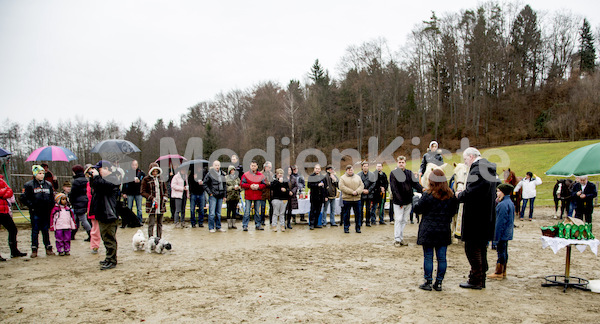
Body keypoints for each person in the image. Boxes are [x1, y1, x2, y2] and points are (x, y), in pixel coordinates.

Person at [456, 147, 500, 289]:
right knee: (481, 248)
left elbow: (471, 192)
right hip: (486, 216)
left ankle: (476, 279)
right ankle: (480, 277)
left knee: (472, 248)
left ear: (471, 156)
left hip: (475, 217)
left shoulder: (478, 169)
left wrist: (459, 195)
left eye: (465, 160)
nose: (465, 163)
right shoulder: (489, 168)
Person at [414, 169, 458, 291]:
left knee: (428, 256)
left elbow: (418, 209)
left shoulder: (428, 195)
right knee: (442, 257)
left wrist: (415, 201)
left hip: (428, 228)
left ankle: (428, 281)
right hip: (443, 228)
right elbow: (454, 211)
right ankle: (439, 282)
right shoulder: (451, 196)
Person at [89, 160, 120, 270]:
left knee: (109, 237)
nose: (97, 171)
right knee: (104, 236)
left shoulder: (114, 178)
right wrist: (93, 177)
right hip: (102, 213)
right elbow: (95, 187)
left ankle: (112, 260)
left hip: (109, 213)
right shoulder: (101, 180)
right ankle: (108, 258)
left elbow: (104, 187)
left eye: (99, 169)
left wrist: (97, 177)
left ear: (107, 169)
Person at [22, 165, 55, 258]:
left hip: (46, 211)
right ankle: (34, 248)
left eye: (43, 173)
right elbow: (24, 198)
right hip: (35, 211)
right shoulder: (29, 185)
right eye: (39, 173)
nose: (42, 175)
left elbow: (51, 197)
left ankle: (48, 247)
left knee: (45, 230)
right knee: (35, 230)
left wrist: (50, 206)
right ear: (35, 174)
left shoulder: (48, 184)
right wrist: (31, 206)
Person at [389, 156, 423, 246]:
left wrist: (423, 190)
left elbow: (415, 184)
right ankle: (397, 239)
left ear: (405, 163)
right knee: (398, 219)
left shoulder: (409, 173)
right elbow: (394, 189)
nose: (401, 164)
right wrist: (400, 201)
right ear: (397, 163)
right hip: (398, 202)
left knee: (404, 220)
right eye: (399, 162)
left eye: (402, 162)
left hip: (408, 201)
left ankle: (400, 238)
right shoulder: (393, 174)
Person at [488, 183, 515, 280]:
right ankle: (503, 271)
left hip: (502, 233)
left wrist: (496, 237)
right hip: (507, 232)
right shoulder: (510, 202)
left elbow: (500, 222)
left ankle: (499, 272)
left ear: (503, 192)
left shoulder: (502, 205)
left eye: (498, 191)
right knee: (504, 251)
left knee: (501, 252)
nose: (497, 193)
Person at [0, 175, 27, 260]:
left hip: (4, 210)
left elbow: (10, 191)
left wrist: (3, 193)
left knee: (13, 229)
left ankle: (14, 251)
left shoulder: (2, 180)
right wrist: (4, 192)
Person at [141, 163, 168, 238]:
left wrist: (165, 196)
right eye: (153, 171)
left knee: (160, 223)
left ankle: (159, 238)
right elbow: (142, 192)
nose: (155, 173)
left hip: (161, 203)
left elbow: (165, 190)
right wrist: (151, 197)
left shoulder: (161, 179)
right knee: (151, 223)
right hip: (151, 204)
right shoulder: (146, 179)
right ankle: (151, 239)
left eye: (156, 171)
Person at [241, 160, 266, 231]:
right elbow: (242, 184)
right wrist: (250, 186)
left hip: (258, 195)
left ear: (257, 166)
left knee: (257, 211)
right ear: (250, 166)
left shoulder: (261, 175)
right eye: (252, 166)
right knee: (247, 211)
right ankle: (245, 225)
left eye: (254, 166)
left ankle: (258, 224)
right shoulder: (245, 175)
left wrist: (258, 186)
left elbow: (264, 185)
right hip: (248, 195)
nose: (253, 167)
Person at [339, 165, 364, 234]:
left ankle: (358, 228)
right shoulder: (342, 178)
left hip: (357, 199)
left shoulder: (358, 177)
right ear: (346, 170)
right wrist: (351, 192)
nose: (350, 171)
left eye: (351, 170)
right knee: (346, 214)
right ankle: (346, 228)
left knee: (358, 214)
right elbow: (342, 187)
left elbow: (361, 185)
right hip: (347, 199)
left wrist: (357, 191)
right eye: (349, 170)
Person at [69, 165, 91, 241]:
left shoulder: (76, 181)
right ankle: (72, 234)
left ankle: (90, 234)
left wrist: (71, 200)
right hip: (84, 200)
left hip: (78, 201)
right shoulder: (85, 180)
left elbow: (73, 193)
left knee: (82, 219)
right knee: (76, 218)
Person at [204, 160, 227, 233]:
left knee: (218, 213)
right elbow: (205, 184)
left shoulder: (222, 174)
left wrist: (224, 195)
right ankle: (211, 227)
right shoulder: (209, 174)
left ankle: (218, 226)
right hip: (213, 195)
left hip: (220, 195)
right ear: (213, 166)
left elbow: (224, 185)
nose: (217, 167)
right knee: (212, 213)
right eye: (216, 165)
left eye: (218, 165)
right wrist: (210, 193)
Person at [84, 164, 101, 254]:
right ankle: (94, 246)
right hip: (93, 207)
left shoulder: (100, 180)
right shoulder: (88, 184)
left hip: (101, 207)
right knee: (95, 229)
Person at [307, 164, 328, 230]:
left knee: (318, 211)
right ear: (314, 169)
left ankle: (316, 223)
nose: (317, 170)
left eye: (318, 169)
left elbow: (325, 187)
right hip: (314, 196)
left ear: (320, 170)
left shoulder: (323, 177)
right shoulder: (311, 176)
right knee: (313, 210)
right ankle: (312, 224)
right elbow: (309, 185)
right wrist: (317, 185)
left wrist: (326, 196)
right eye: (316, 168)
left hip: (321, 197)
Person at [359, 162, 377, 227]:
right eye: (364, 166)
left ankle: (367, 222)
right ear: (362, 167)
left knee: (368, 209)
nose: (365, 167)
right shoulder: (359, 175)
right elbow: (357, 183)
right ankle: (360, 221)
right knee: (360, 209)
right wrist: (362, 190)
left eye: (367, 166)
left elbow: (374, 183)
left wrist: (368, 190)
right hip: (361, 194)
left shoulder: (372, 175)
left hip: (369, 194)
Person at [225, 165, 241, 229]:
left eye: (233, 170)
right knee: (229, 209)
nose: (233, 171)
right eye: (231, 170)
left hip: (236, 196)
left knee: (234, 209)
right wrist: (232, 187)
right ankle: (229, 223)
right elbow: (225, 187)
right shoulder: (226, 178)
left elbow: (241, 185)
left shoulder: (237, 178)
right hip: (229, 196)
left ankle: (234, 223)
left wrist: (238, 188)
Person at [260, 161, 274, 226]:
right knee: (263, 207)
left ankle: (271, 221)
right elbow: (264, 183)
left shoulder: (271, 174)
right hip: (262, 193)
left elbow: (272, 182)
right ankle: (262, 221)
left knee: (271, 207)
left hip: (270, 193)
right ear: (265, 167)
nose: (270, 168)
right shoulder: (260, 174)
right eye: (269, 167)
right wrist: (268, 183)